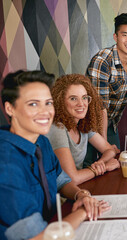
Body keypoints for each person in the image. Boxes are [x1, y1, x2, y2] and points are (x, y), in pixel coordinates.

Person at [0, 70, 109, 240]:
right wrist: (83, 212)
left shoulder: (41, 142)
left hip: (53, 223)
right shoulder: (6, 163)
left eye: (48, 103)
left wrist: (80, 195)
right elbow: (40, 237)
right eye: (33, 104)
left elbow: (61, 180)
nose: (45, 112)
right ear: (10, 108)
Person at [86, 12, 127, 148]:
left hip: (111, 122)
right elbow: (100, 106)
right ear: (116, 37)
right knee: (98, 164)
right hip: (88, 125)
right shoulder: (102, 61)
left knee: (116, 163)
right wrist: (104, 147)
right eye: (124, 35)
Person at [46, 74, 120, 185]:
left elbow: (109, 150)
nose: (81, 104)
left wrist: (100, 163)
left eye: (84, 97)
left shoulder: (82, 125)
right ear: (60, 101)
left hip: (79, 188)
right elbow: (71, 178)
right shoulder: (58, 129)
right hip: (57, 197)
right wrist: (104, 167)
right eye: (73, 98)